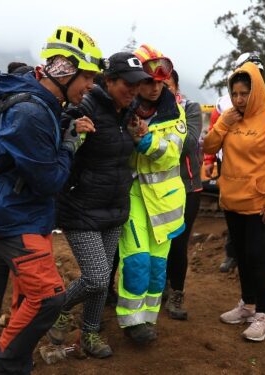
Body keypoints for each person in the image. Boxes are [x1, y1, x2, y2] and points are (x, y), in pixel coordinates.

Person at [0, 26, 103, 374]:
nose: (91, 85)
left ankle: (16, 363)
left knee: (27, 296)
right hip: (15, 216)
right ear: (65, 70)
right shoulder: (31, 113)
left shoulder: (46, 104)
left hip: (26, 212)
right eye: (87, 76)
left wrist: (66, 133)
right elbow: (51, 179)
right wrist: (70, 144)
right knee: (48, 298)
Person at [46, 51, 149, 358]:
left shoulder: (129, 113)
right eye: (126, 83)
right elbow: (59, 137)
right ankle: (60, 307)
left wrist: (138, 134)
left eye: (137, 84)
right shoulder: (86, 105)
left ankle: (89, 334)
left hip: (115, 207)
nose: (132, 89)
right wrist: (72, 131)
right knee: (96, 276)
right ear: (110, 80)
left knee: (103, 280)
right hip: (81, 207)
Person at [204, 61, 265, 342]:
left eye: (244, 93)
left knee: (258, 258)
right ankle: (247, 305)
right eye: (235, 94)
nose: (239, 99)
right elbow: (208, 147)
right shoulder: (230, 118)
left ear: (256, 92)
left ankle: (264, 316)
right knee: (241, 256)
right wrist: (222, 123)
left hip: (260, 204)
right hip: (232, 201)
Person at [115, 43, 186, 344]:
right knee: (137, 261)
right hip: (133, 196)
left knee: (158, 268)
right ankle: (131, 322)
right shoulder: (120, 109)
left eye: (159, 82)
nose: (155, 87)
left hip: (166, 203)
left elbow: (171, 154)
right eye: (148, 81)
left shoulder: (175, 110)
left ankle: (147, 319)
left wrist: (143, 141)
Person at [206, 52, 265, 273]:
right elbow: (213, 133)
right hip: (229, 165)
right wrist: (210, 159)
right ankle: (233, 254)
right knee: (233, 212)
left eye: (257, 73)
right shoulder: (223, 103)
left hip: (260, 167)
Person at [0, 62, 38, 344]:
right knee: (18, 262)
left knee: (1, 258)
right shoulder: (21, 110)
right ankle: (8, 322)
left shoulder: (1, 107)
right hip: (13, 199)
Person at [162, 69, 203, 320]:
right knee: (158, 242)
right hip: (156, 186)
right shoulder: (148, 110)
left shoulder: (190, 108)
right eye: (157, 84)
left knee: (178, 243)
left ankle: (177, 293)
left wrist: (157, 139)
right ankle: (161, 286)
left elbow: (189, 143)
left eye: (167, 85)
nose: (162, 90)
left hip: (188, 186)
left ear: (176, 86)